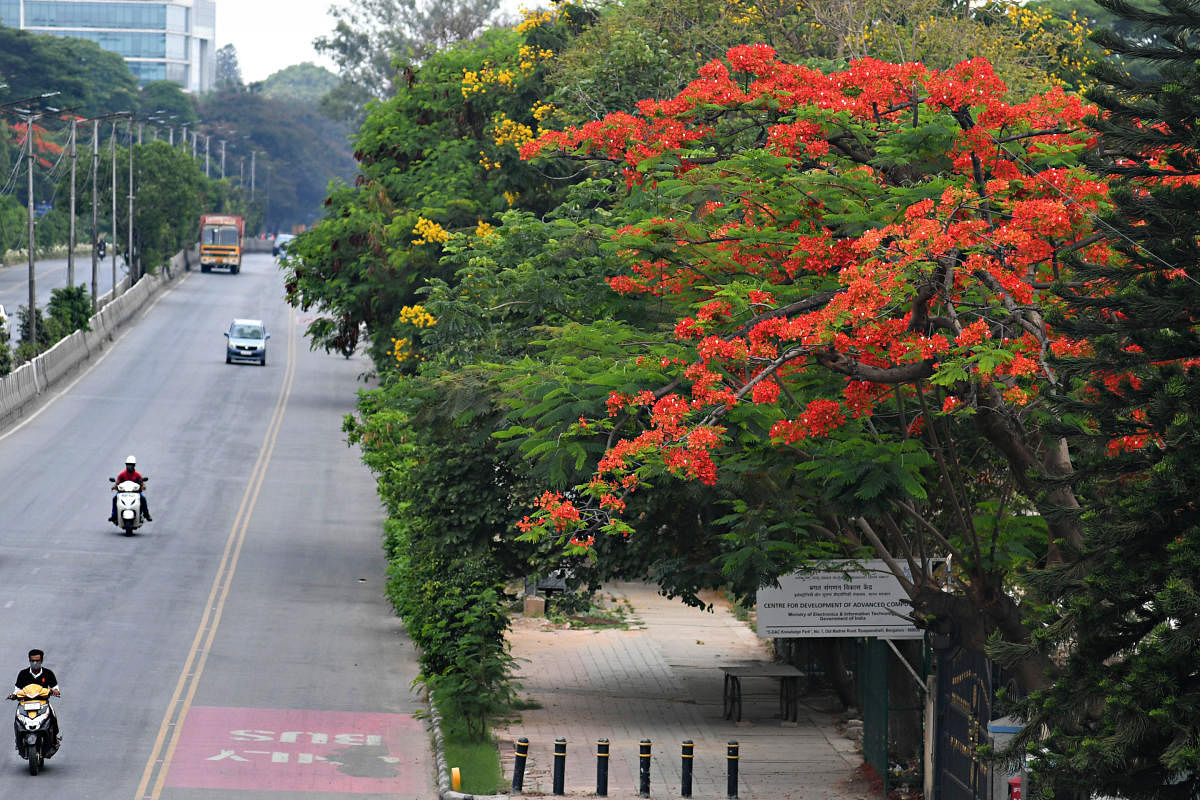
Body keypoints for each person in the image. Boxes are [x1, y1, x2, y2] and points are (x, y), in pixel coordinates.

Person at [8, 649, 60, 745]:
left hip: (43, 703)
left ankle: (54, 739)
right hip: (25, 703)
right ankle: (19, 741)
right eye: (32, 661)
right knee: (17, 718)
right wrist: (14, 695)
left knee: (53, 715)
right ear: (29, 661)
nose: (35, 663)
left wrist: (55, 691)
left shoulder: (48, 673)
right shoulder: (23, 674)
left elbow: (55, 688)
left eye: (37, 661)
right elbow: (17, 689)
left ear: (42, 660)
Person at [110, 454, 151, 523]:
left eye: (131, 465)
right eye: (128, 464)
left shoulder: (137, 474)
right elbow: (118, 482)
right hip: (123, 492)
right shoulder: (122, 474)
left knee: (143, 498)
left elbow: (141, 482)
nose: (129, 466)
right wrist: (115, 486)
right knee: (115, 498)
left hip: (135, 492)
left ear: (134, 465)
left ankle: (146, 514)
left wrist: (143, 486)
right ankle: (114, 515)